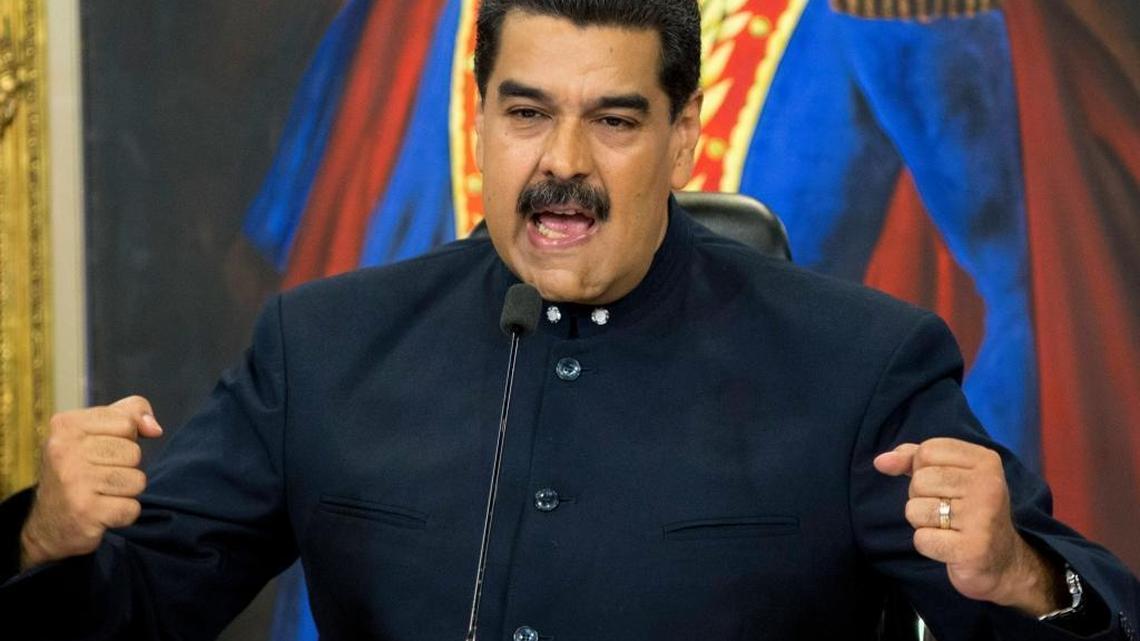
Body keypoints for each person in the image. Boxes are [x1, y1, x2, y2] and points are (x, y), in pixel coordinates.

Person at [1, 1, 1137, 639]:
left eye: (615, 121)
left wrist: (1027, 577)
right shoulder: (323, 348)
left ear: (682, 140)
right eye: (528, 113)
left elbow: (1089, 609)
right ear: (480, 118)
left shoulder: (863, 365)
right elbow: (130, 614)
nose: (563, 164)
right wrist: (41, 541)